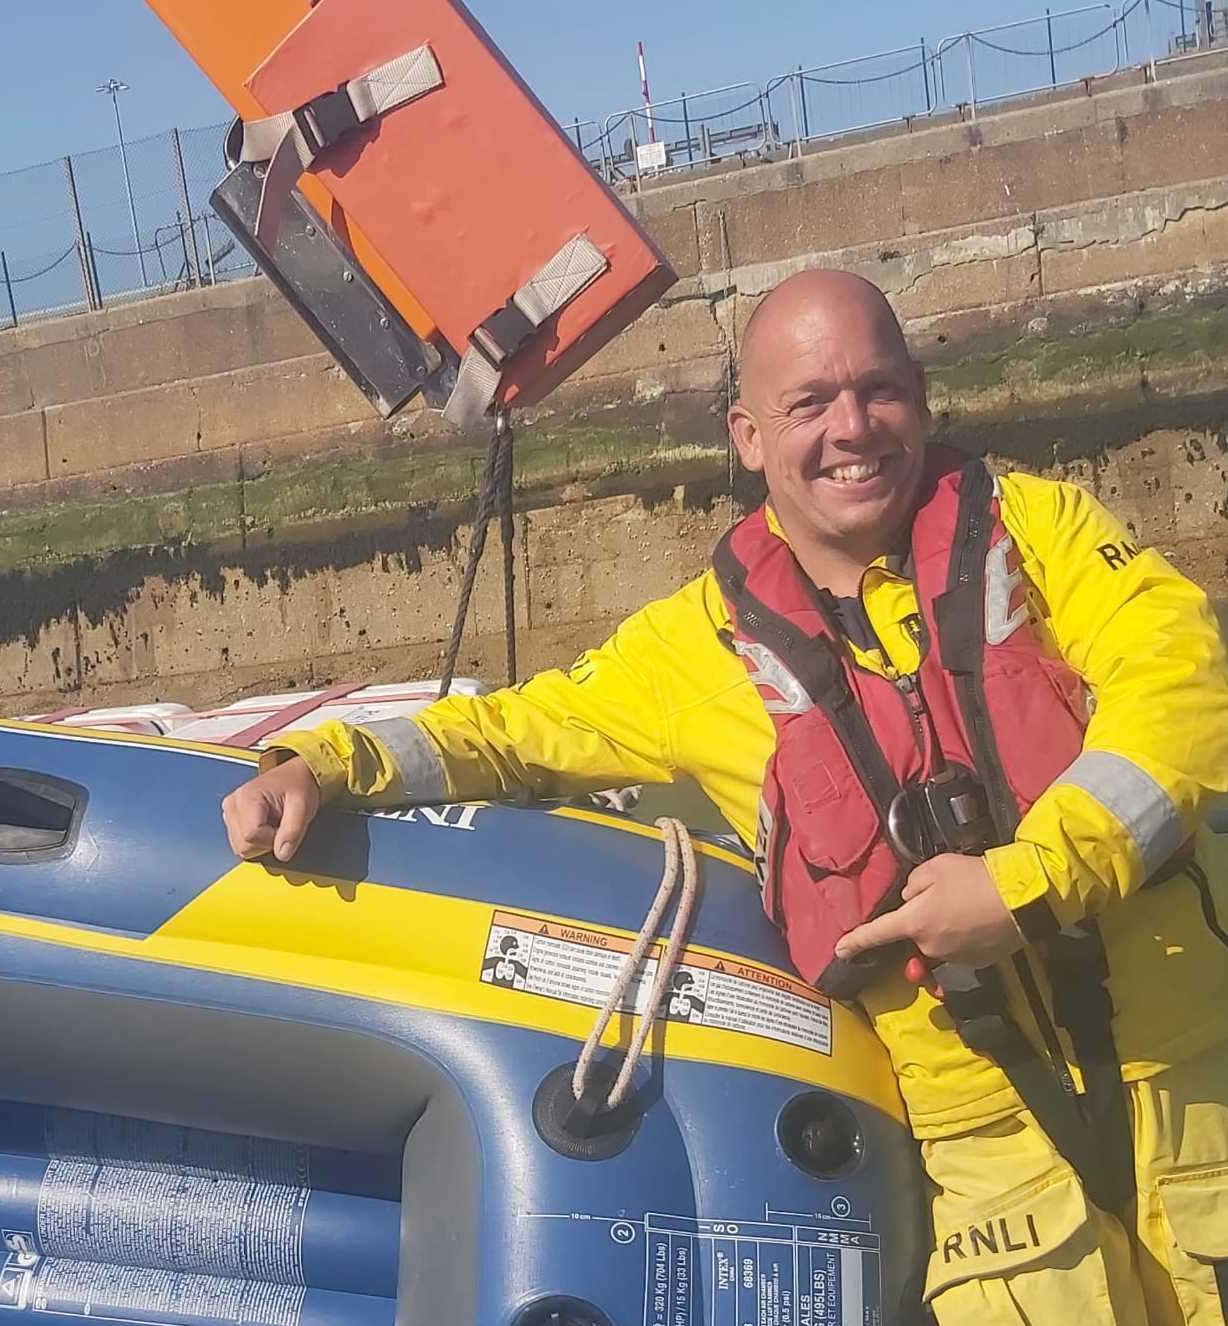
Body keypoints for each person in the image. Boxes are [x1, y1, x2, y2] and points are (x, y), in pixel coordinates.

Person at [219, 269, 1228, 1325]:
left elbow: (1184, 688)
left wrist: (1024, 885)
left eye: (878, 390)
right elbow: (509, 731)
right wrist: (322, 762)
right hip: (991, 1164)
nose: (852, 428)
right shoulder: (689, 651)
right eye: (810, 404)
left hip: (1197, 1080)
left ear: (921, 395)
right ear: (748, 435)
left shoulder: (1044, 532)